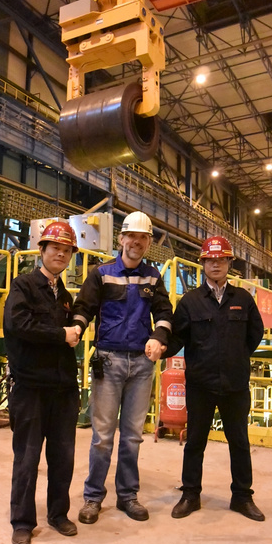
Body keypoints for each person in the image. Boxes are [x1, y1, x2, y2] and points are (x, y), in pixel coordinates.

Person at [72, 211, 173, 524]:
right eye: (131, 236)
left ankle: (128, 496)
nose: (136, 243)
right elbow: (84, 308)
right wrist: (76, 328)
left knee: (132, 436)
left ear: (147, 242)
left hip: (142, 366)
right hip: (109, 362)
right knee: (102, 436)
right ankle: (92, 498)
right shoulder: (100, 274)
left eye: (143, 238)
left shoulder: (153, 276)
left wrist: (159, 337)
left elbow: (165, 312)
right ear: (121, 238)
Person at [165, 236, 265, 522]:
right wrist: (157, 344)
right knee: (195, 441)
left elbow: (254, 334)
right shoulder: (191, 301)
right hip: (200, 385)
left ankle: (242, 497)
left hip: (234, 385)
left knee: (239, 442)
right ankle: (190, 495)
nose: (216, 264)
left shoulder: (243, 299)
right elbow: (177, 337)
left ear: (229, 263)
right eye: (211, 259)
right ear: (203, 263)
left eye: (221, 259)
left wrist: (235, 357)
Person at [3, 220, 82, 544]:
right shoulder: (24, 286)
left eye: (67, 251)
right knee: (28, 456)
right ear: (42, 251)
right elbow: (19, 324)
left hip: (63, 389)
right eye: (56, 249)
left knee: (63, 455)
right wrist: (61, 334)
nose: (61, 255)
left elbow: (79, 321)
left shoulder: (64, 295)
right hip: (31, 387)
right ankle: (22, 520)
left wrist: (77, 323)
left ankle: (58, 514)